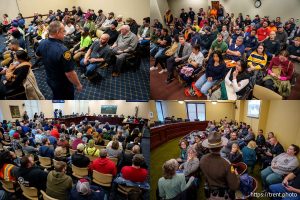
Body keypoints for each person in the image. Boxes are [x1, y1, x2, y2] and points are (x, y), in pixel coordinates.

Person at [36, 21, 82, 99]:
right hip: (62, 84)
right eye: (63, 31)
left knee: (56, 95)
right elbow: (70, 74)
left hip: (49, 78)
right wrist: (78, 84)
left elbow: (37, 56)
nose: (65, 33)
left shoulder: (42, 43)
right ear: (57, 32)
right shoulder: (64, 51)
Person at [200, 131, 240, 199]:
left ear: (209, 147)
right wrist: (236, 175)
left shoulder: (202, 159)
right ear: (221, 146)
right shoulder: (227, 163)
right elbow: (234, 186)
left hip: (210, 195)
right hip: (222, 196)